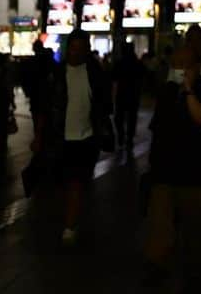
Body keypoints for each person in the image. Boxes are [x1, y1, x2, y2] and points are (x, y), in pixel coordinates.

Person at [144, 40, 201, 289]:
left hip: (195, 172)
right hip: (164, 172)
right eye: (175, 65)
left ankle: (196, 274)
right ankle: (157, 269)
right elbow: (157, 129)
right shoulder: (166, 91)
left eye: (184, 66)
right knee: (160, 226)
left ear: (196, 67)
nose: (179, 70)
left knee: (195, 229)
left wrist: (188, 90)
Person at [32, 30, 113, 245]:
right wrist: (39, 135)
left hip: (85, 140)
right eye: (73, 48)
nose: (75, 53)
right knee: (60, 184)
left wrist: (102, 128)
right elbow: (44, 107)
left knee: (76, 182)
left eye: (80, 49)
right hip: (59, 139)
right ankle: (67, 218)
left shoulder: (94, 73)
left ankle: (70, 225)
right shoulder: (56, 74)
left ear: (87, 50)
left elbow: (104, 104)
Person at [113, 42, 145, 161]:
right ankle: (129, 139)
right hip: (133, 95)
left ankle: (121, 137)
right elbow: (142, 78)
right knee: (132, 118)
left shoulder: (120, 63)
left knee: (119, 118)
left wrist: (114, 94)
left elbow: (114, 80)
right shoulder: (137, 63)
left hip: (121, 95)